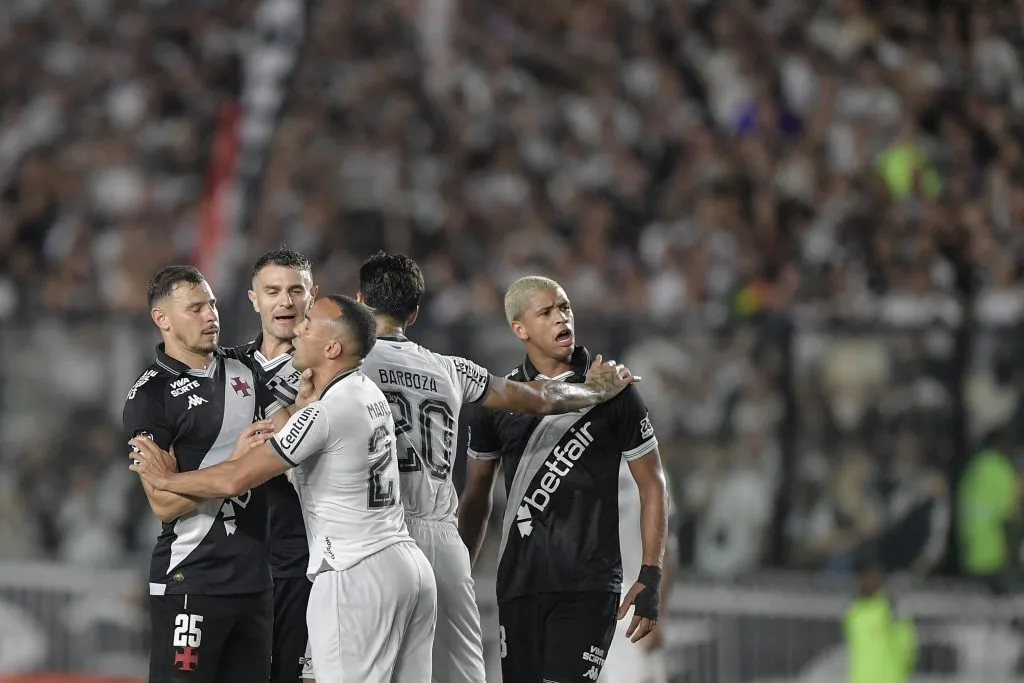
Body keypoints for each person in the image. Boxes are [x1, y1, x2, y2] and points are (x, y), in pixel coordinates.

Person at [355, 251, 641, 683]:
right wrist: (593, 390)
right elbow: (538, 397)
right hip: (443, 543)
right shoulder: (450, 368)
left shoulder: (346, 364)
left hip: (377, 534)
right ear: (415, 313)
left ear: (359, 302)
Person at [130, 295, 438, 683]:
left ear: (332, 348)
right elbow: (313, 469)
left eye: (308, 326)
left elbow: (235, 479)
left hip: (355, 571)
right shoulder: (366, 393)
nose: (296, 330)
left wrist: (165, 480)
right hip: (408, 568)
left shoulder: (323, 414)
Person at [459, 275, 670, 683]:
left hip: (588, 585)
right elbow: (476, 498)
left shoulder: (615, 390)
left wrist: (651, 574)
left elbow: (653, 483)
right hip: (519, 583)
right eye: (546, 312)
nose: (562, 319)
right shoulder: (498, 400)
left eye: (565, 308)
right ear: (520, 329)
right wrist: (459, 574)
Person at [122, 265, 286, 683]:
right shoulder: (150, 397)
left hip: (254, 581)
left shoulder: (246, 371)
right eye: (195, 308)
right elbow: (162, 503)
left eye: (211, 304)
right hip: (190, 579)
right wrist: (237, 463)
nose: (211, 315)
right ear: (163, 319)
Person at [233, 247, 317, 683]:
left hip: (304, 564)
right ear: (254, 299)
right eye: (273, 291)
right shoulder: (224, 369)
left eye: (294, 290)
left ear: (311, 296)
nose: (284, 301)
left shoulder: (327, 372)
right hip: (234, 565)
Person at [600, 463, 679, 683]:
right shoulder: (574, 463)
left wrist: (657, 616)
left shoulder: (647, 464)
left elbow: (667, 550)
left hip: (633, 611)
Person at [843, 556, 916, 683]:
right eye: (864, 576)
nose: (867, 580)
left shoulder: (890, 608)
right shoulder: (853, 612)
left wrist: (898, 671)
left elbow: (907, 646)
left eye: (872, 576)